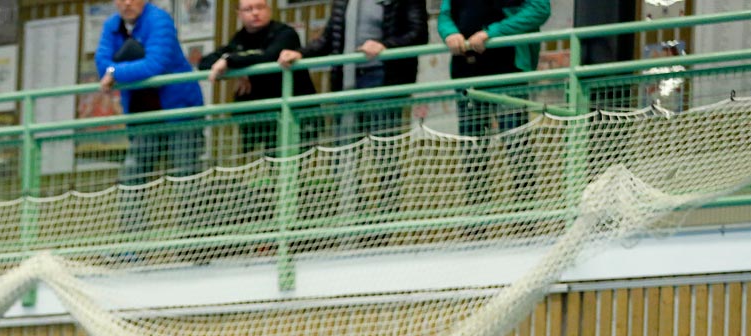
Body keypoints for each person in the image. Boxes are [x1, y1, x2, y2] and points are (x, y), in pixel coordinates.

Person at [276, 0, 428, 228]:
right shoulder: (344, 2)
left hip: (383, 79)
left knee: (385, 154)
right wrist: (300, 53)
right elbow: (329, 39)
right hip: (346, 81)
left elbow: (418, 34)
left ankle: (386, 223)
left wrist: (384, 45)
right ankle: (354, 220)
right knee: (343, 154)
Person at [96, 0, 206, 236]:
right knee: (132, 176)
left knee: (186, 176)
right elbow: (101, 63)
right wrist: (111, 70)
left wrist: (115, 72)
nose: (127, 3)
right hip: (143, 116)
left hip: (179, 112)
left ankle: (194, 243)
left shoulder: (159, 20)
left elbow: (153, 65)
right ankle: (133, 244)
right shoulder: (111, 26)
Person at [436, 0, 549, 204]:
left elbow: (539, 9)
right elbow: (445, 15)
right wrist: (450, 33)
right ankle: (477, 221)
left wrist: (491, 33)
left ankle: (527, 219)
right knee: (472, 151)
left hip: (508, 71)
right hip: (467, 73)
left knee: (516, 146)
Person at [197, 0, 315, 157]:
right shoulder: (239, 39)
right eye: (248, 9)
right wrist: (238, 69)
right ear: (239, 14)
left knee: (296, 166)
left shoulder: (285, 33)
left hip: (294, 115)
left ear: (269, 9)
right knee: (266, 168)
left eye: (260, 7)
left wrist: (231, 61)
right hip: (261, 121)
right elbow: (205, 62)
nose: (255, 13)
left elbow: (269, 56)